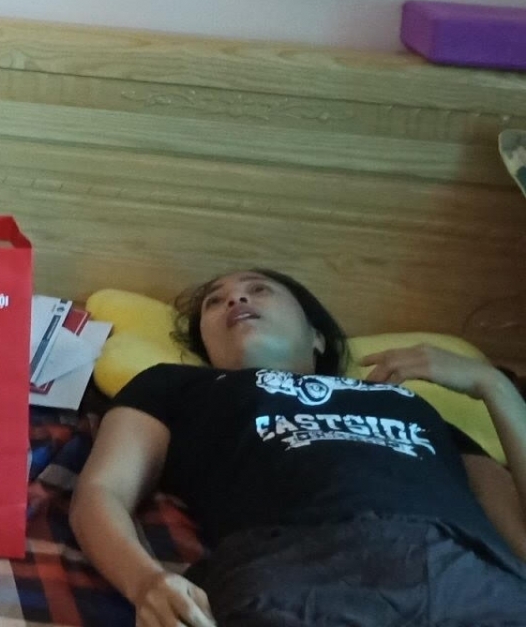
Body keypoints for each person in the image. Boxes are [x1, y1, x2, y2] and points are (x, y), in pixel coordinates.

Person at [72, 268, 526, 627]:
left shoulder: (412, 406)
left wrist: (494, 386)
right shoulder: (178, 386)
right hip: (293, 573)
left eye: (258, 289)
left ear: (317, 336)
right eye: (214, 301)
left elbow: (519, 538)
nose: (235, 299)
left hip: (468, 577)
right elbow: (103, 490)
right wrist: (146, 582)